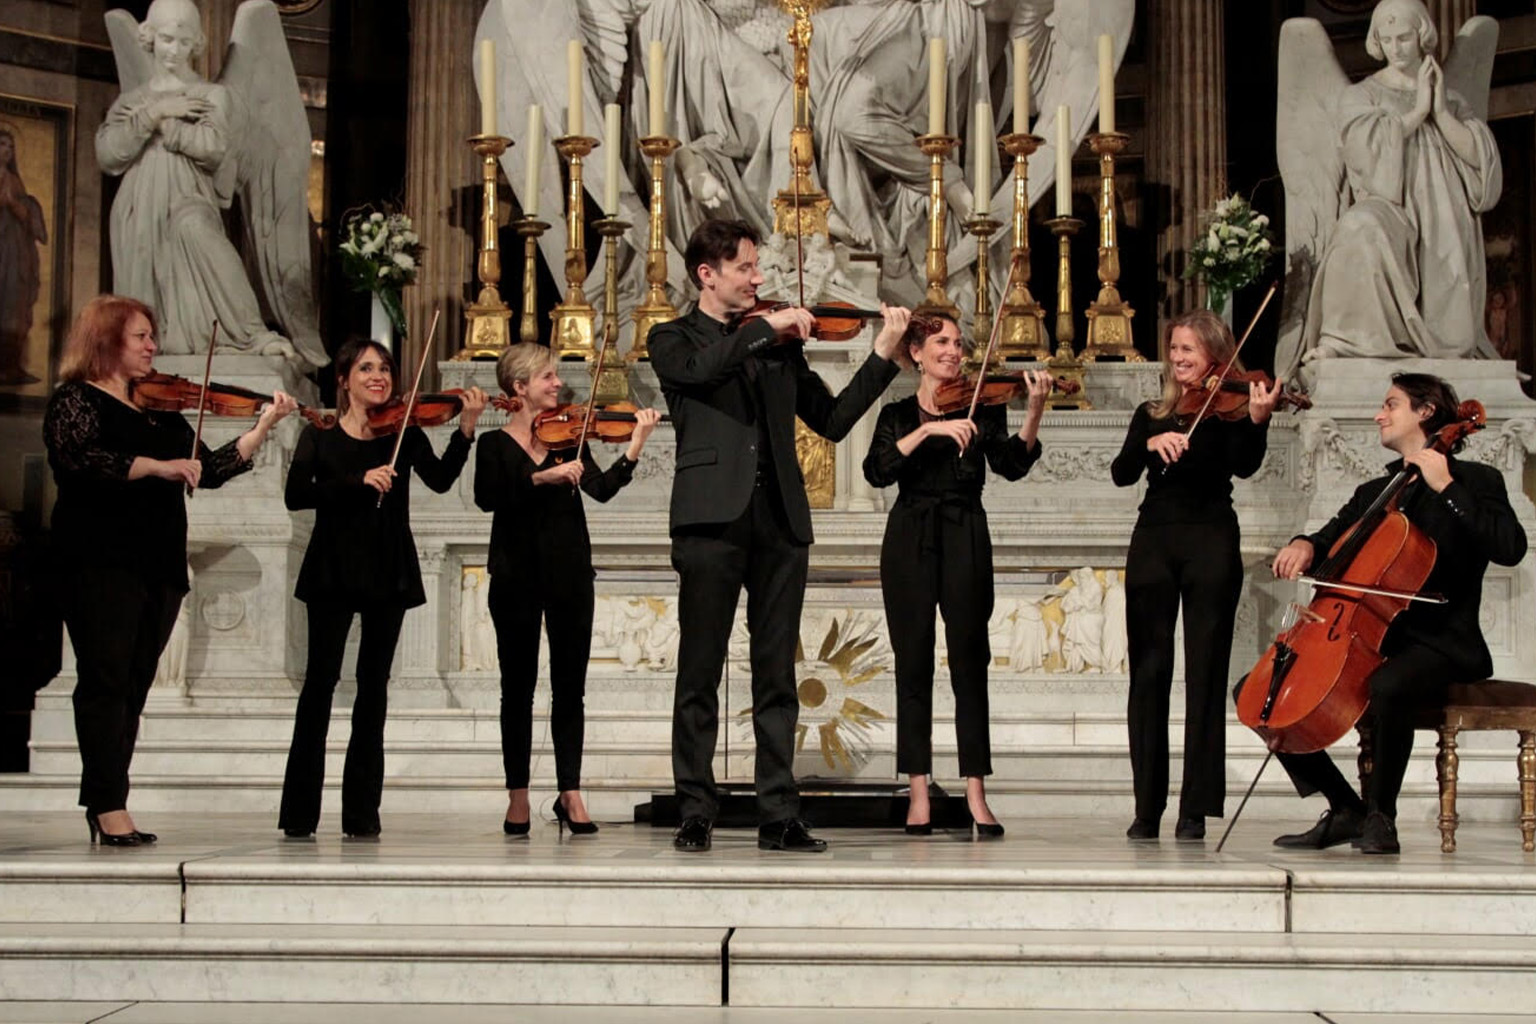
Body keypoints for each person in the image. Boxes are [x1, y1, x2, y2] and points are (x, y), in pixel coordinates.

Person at [649, 218, 905, 853]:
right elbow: (700, 371)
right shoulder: (671, 338)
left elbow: (834, 420)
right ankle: (695, 809)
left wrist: (882, 354)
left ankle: (779, 814)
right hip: (710, 523)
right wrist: (766, 329)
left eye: (757, 267)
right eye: (745, 267)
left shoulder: (777, 347)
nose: (759, 278)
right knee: (700, 671)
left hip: (780, 522)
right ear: (707, 275)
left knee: (776, 675)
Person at [43, 294, 295, 845]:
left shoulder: (160, 408)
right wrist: (157, 467)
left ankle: (107, 798)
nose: (152, 346)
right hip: (97, 559)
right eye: (141, 336)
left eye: (151, 336)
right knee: (105, 680)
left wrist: (264, 425)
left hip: (157, 559)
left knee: (134, 684)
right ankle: (109, 805)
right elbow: (79, 458)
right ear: (106, 339)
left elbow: (208, 469)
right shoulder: (75, 399)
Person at [1257, 373, 1526, 854]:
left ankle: (1381, 816)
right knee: (1259, 692)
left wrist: (1447, 487)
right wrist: (1303, 544)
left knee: (1388, 685)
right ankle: (1346, 809)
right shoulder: (1375, 492)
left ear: (1426, 412)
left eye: (1390, 404)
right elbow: (1329, 538)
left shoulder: (1477, 481)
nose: (1379, 415)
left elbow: (1509, 547)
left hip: (1442, 642)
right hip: (1369, 640)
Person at [278, 338, 487, 839]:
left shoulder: (404, 431)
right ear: (344, 379)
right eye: (367, 368)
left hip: (386, 567)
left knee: (373, 693)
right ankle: (300, 815)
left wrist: (466, 428)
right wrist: (358, 481)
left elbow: (441, 479)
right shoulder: (320, 434)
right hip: (332, 567)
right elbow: (296, 495)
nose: (379, 376)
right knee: (319, 687)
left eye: (386, 369)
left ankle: (361, 815)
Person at [862, 315, 1047, 837]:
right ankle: (918, 790)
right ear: (916, 353)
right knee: (913, 662)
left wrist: (1033, 412)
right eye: (942, 342)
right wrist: (928, 430)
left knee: (970, 660)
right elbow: (877, 470)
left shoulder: (982, 406)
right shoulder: (898, 414)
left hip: (965, 529)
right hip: (910, 534)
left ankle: (976, 791)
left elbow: (1011, 464)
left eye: (959, 344)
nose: (954, 351)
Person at [474, 343, 661, 837]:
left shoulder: (570, 437)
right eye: (548, 377)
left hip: (569, 575)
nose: (558, 384)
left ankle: (569, 792)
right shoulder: (493, 444)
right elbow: (487, 496)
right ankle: (518, 796)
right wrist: (543, 477)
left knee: (569, 691)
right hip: (514, 577)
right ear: (519, 386)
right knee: (516, 690)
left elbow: (602, 490)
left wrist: (635, 445)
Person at [1110, 309, 1280, 842]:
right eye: (1175, 348)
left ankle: (1195, 808)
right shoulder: (1152, 412)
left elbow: (1245, 465)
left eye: (1188, 349)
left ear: (1214, 356)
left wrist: (1258, 420)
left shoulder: (1232, 409)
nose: (1178, 358)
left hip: (1210, 539)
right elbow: (1121, 474)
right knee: (1149, 673)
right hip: (1154, 540)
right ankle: (1146, 807)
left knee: (1205, 674)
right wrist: (1147, 445)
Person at [0, 126, 47, 386]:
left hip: (16, 258)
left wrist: (15, 204)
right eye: (2, 145)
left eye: (11, 147)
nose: (7, 151)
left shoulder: (15, 181)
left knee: (15, 310)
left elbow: (30, 221)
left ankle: (11, 366)